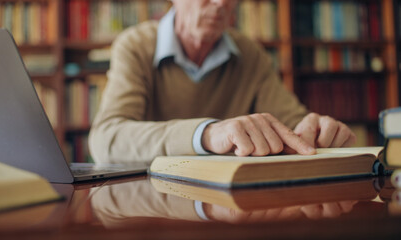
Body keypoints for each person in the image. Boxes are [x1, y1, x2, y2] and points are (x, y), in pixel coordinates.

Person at [89, 0, 356, 163]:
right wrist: (206, 134)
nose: (221, 3)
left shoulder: (250, 53)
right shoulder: (135, 46)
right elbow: (106, 140)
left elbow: (293, 124)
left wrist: (315, 131)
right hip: (153, 207)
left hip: (230, 209)